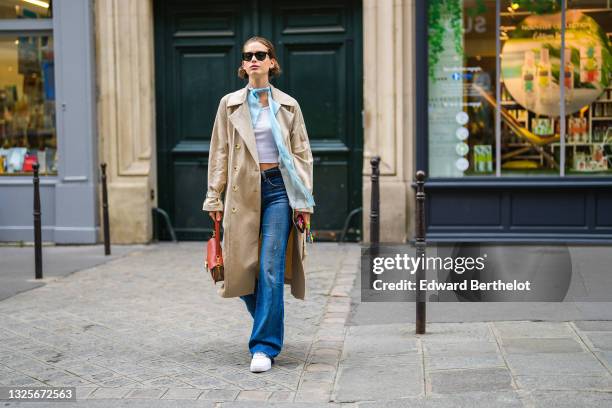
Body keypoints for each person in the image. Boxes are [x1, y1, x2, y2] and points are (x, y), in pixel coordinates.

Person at [202, 36, 316, 373]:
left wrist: (305, 199)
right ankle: (270, 323)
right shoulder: (230, 104)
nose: (253, 59)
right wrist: (214, 195)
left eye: (260, 55)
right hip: (241, 192)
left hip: (279, 190)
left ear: (271, 63)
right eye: (248, 55)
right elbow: (219, 152)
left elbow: (302, 154)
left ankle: (263, 346)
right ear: (243, 64)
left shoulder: (289, 105)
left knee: (270, 267)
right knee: (242, 270)